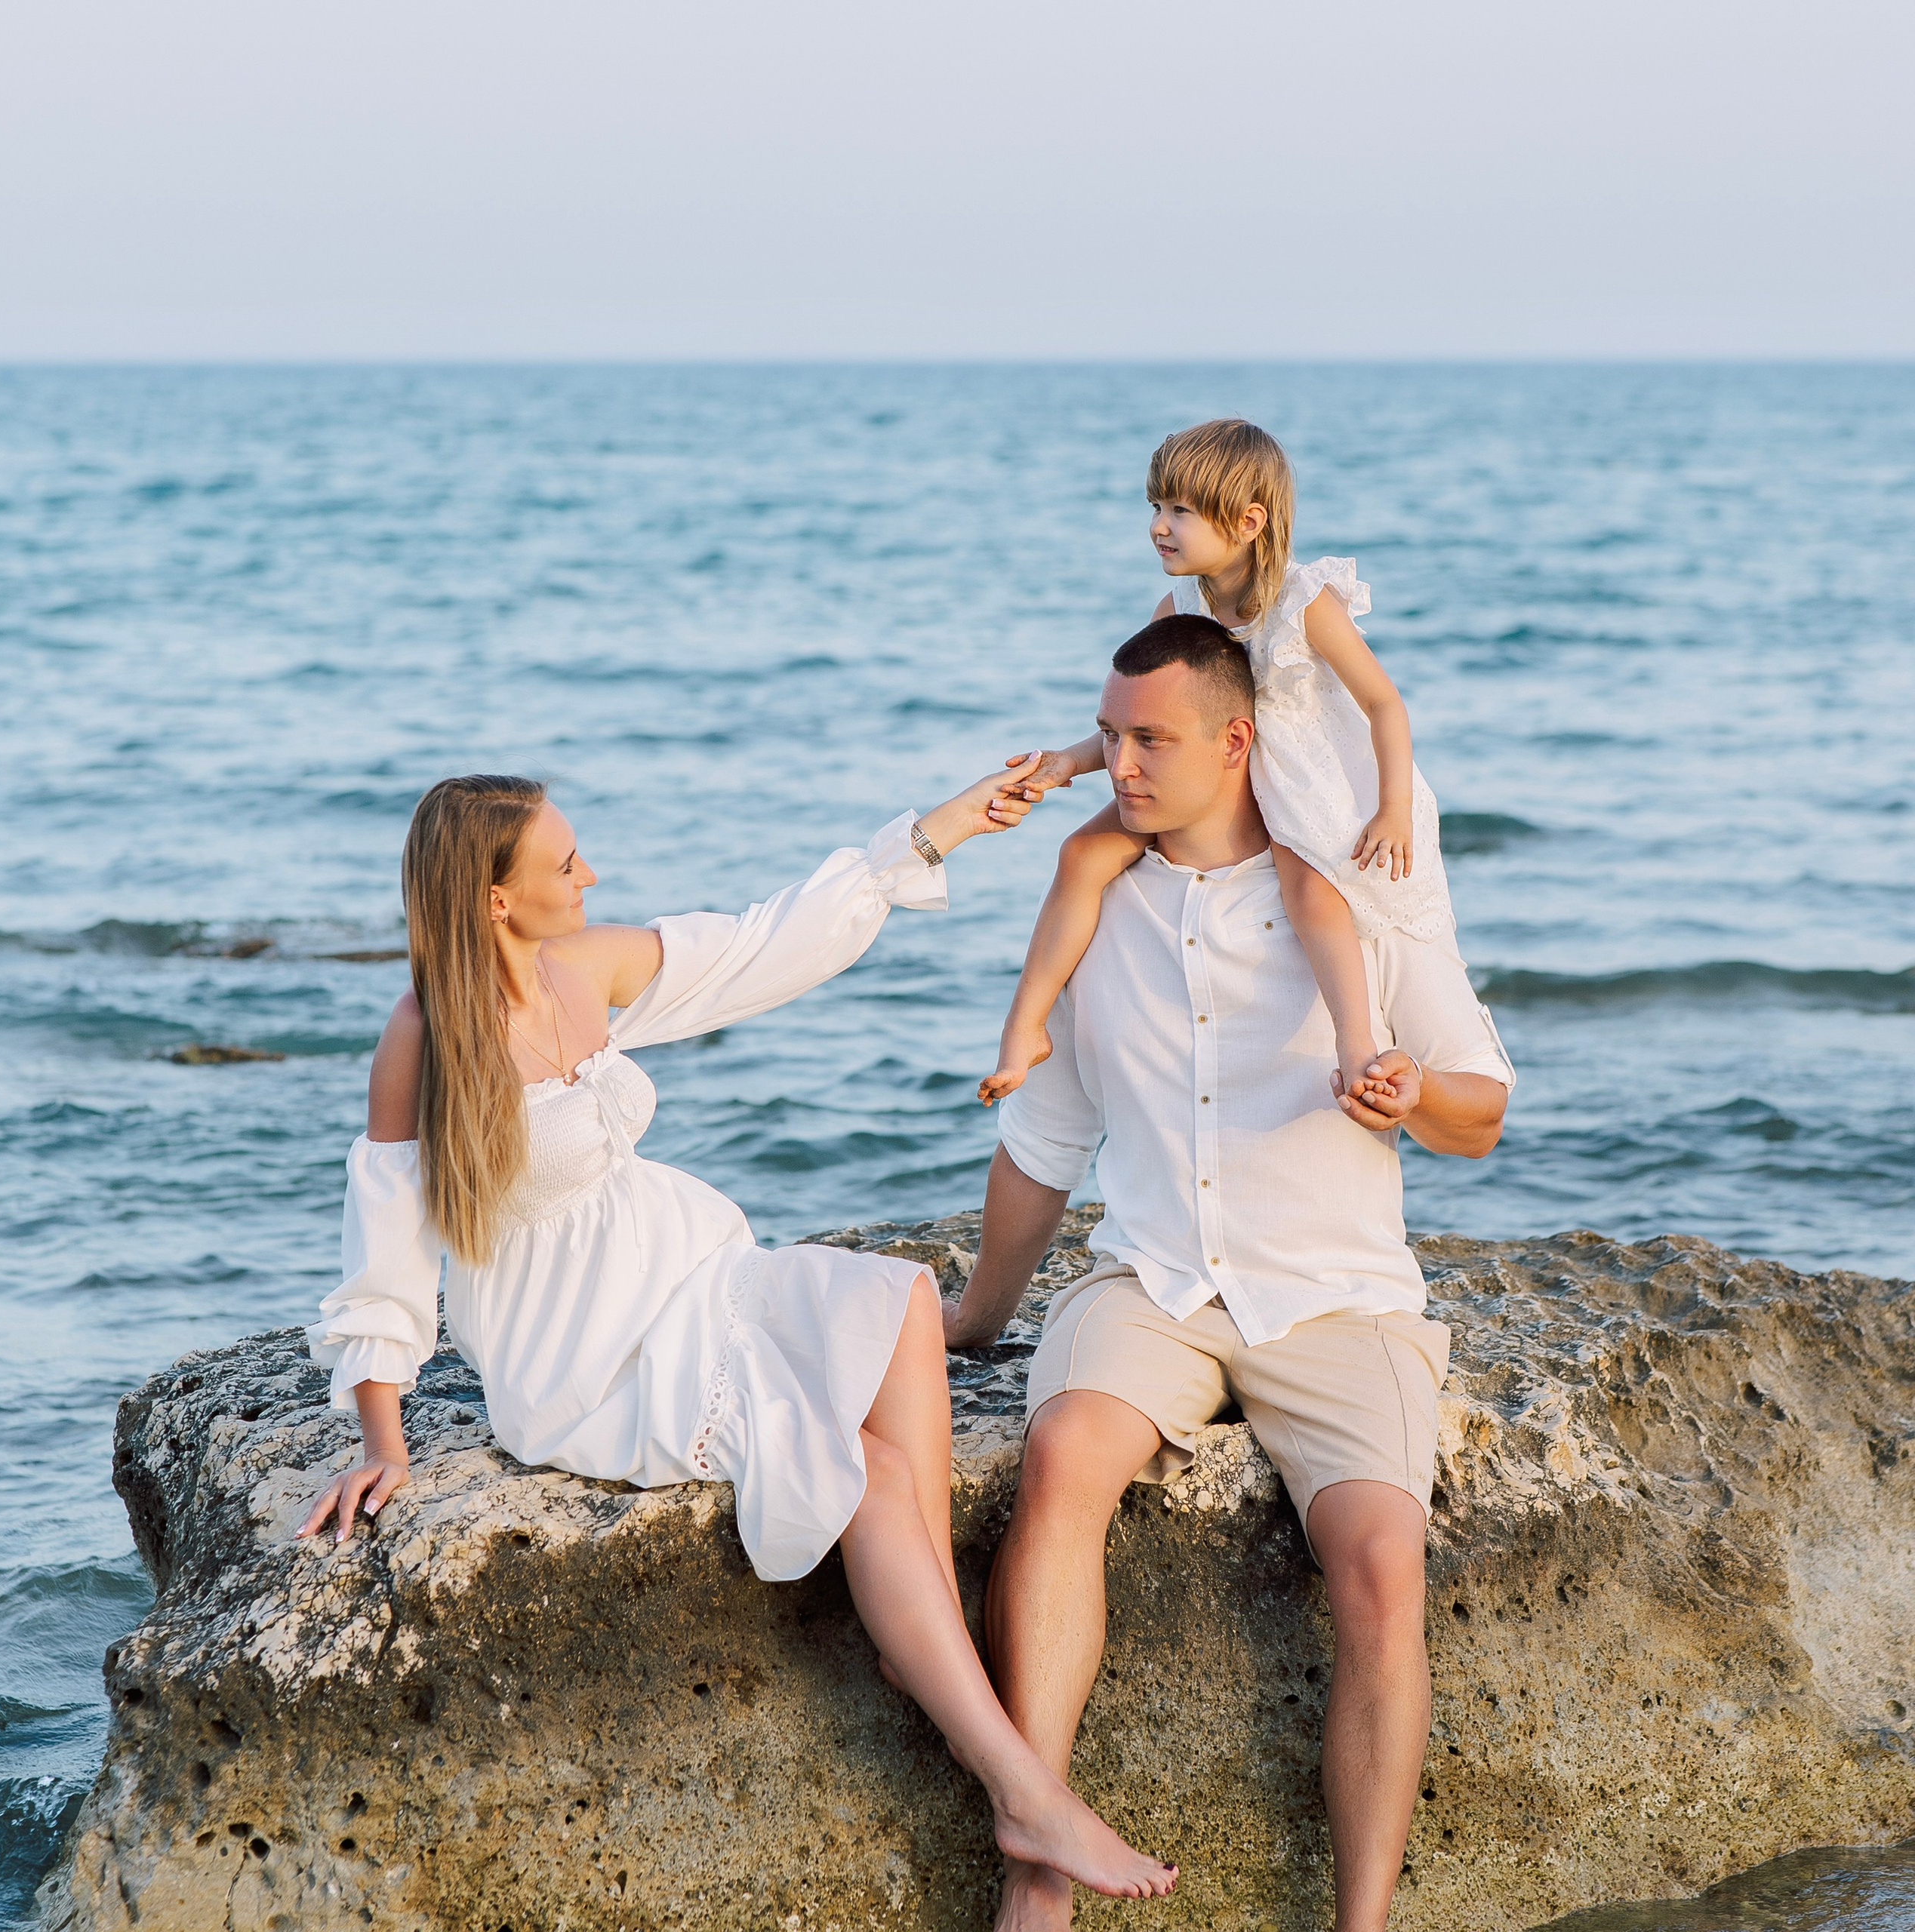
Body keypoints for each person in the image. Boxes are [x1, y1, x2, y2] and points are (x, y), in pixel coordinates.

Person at [294, 767, 1178, 1906]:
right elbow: (386, 1262)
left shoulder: (584, 965)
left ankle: (946, 1661)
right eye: (565, 864)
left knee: (905, 1296)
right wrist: (384, 1436)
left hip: (688, 1265)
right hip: (587, 1353)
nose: (591, 874)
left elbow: (766, 945)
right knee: (867, 1471)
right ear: (495, 898)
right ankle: (1018, 1789)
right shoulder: (421, 1036)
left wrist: (938, 830)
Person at [944, 620, 1513, 1932]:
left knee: (1379, 1563)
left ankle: (1360, 1925)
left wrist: (1408, 1092)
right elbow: (1044, 1140)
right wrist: (980, 1314)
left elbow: (1479, 1112)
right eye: (1112, 735)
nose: (1119, 765)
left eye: (1150, 741)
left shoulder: (1357, 900)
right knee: (1064, 1457)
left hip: (1338, 1295)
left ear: (1236, 742)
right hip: (1153, 1280)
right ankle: (1039, 1873)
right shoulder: (1096, 901)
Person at [981, 416, 1454, 1112]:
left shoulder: (1304, 602)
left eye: (1181, 511)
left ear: (1248, 521)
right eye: (1155, 507)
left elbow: (1386, 706)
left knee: (1310, 891)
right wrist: (1066, 764)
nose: (1158, 526)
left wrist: (1392, 809)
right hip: (1206, 776)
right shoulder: (1178, 605)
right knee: (1082, 852)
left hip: (1304, 779)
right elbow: (1145, 722)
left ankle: (1358, 1045)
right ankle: (1025, 1029)